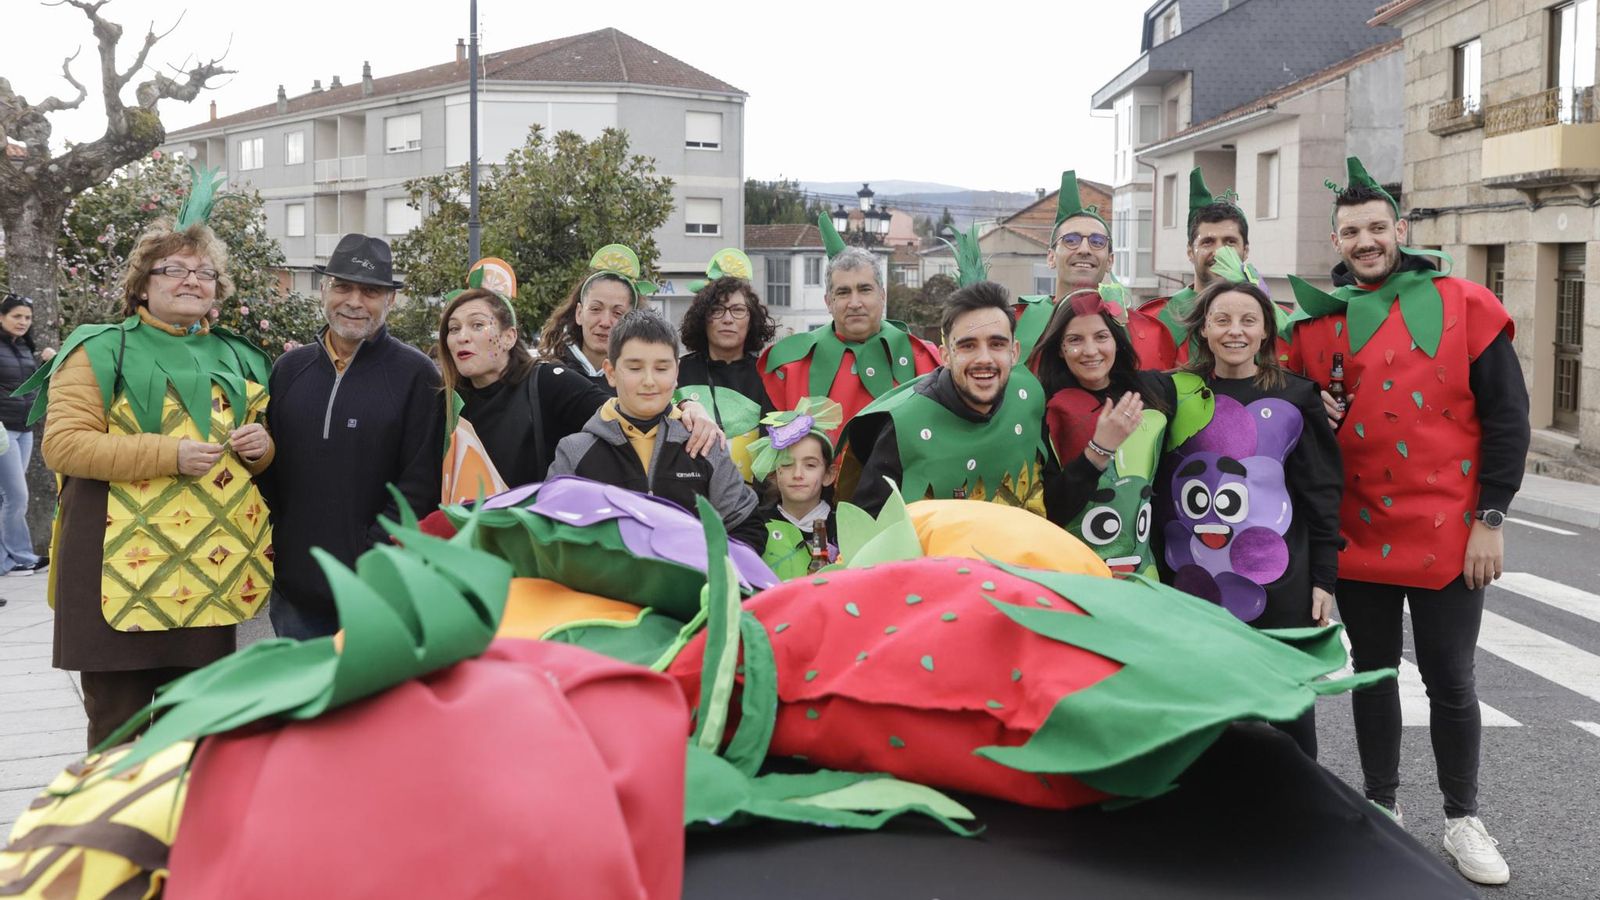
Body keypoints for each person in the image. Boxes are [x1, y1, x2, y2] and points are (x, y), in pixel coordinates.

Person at [1286, 156, 1529, 886]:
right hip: (1359, 532)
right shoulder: (1315, 328)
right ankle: (1381, 808)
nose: (1365, 241)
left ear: (1400, 228)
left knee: (1452, 681)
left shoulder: (1467, 304)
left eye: (1376, 227)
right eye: (1350, 231)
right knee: (1374, 673)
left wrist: (1491, 517)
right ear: (1337, 239)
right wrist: (1310, 405)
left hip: (1453, 532)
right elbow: (1286, 412)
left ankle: (1462, 819)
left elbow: (1508, 417)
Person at [21, 191, 275, 748]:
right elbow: (63, 446)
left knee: (196, 736)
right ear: (142, 283)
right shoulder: (96, 349)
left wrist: (261, 447)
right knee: (118, 735)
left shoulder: (240, 354)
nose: (192, 280)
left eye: (204, 272)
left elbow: (258, 456)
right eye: (174, 269)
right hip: (115, 567)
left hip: (207, 572)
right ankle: (114, 836)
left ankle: (186, 835)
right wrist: (170, 454)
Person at [1161, 277, 1342, 757]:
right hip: (1193, 581)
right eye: (1221, 320)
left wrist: (1324, 578)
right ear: (1203, 329)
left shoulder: (1298, 396)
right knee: (1209, 710)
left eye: (1248, 320)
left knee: (1289, 710)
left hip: (1280, 579)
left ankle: (1296, 813)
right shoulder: (1177, 393)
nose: (1234, 331)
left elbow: (1320, 491)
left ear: (1266, 332)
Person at [259, 233, 444, 640]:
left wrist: (369, 560)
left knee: (367, 705)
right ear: (324, 289)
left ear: (390, 301)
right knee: (300, 703)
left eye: (371, 291)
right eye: (342, 286)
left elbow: (419, 486)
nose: (355, 301)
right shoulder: (289, 370)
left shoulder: (416, 376)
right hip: (295, 595)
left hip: (375, 595)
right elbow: (272, 475)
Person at [437, 287, 728, 493]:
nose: (462, 337)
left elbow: (626, 412)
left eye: (476, 325)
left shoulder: (548, 380)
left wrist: (690, 407)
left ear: (510, 336)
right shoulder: (445, 402)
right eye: (453, 329)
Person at [548, 309, 762, 546]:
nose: (649, 381)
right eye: (635, 368)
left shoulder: (705, 444)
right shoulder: (575, 452)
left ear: (677, 372)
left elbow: (744, 525)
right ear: (610, 372)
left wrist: (713, 573)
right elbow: (552, 532)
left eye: (661, 369)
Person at [846, 281, 1053, 517]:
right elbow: (866, 528)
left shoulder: (1029, 399)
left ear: (1014, 352)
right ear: (946, 355)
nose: (984, 359)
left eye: (997, 344)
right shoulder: (905, 426)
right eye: (968, 346)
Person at [1032, 286, 1174, 578]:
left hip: (1144, 575)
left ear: (1117, 341)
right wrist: (1097, 452)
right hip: (1075, 576)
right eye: (1074, 340)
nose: (1090, 350)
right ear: (1059, 348)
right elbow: (1050, 510)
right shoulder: (1041, 409)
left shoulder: (1157, 391)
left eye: (1101, 337)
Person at [760, 216, 940, 442]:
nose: (854, 303)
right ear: (828, 301)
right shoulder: (788, 366)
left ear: (882, 295)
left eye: (865, 290)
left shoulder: (924, 361)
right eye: (843, 292)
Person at [1011, 170, 1166, 367]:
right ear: (1050, 258)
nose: (1084, 249)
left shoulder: (1147, 332)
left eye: (1097, 241)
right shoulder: (1017, 323)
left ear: (1110, 261)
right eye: (1071, 240)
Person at [1135, 168, 1254, 367]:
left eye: (1230, 242)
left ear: (1246, 251)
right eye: (1208, 242)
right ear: (1190, 251)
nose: (1218, 252)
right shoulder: (1152, 321)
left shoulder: (1278, 321)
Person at [677, 249, 777, 480]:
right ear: (703, 318)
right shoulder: (678, 371)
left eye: (738, 310)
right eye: (717, 310)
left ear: (752, 319)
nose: (728, 319)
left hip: (752, 502)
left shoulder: (768, 376)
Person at [535, 244, 656, 390]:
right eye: (595, 309)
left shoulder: (645, 384)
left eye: (617, 313)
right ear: (579, 313)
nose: (605, 322)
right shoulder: (545, 376)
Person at [745, 397, 842, 579]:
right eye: (787, 464)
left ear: (828, 475)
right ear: (775, 474)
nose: (798, 474)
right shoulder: (757, 523)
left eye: (810, 465)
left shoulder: (843, 526)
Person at [0, 292, 53, 576]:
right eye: (16, 316)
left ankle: (3, 560)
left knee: (5, 497)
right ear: (2, 317)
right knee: (17, 496)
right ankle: (20, 556)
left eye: (27, 318)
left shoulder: (23, 347)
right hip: (2, 429)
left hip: (23, 429)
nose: (23, 322)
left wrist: (48, 364)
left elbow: (30, 385)